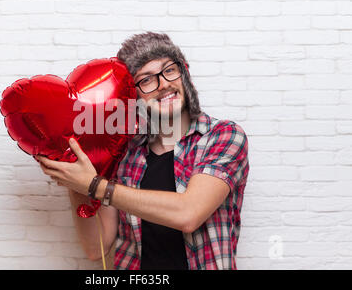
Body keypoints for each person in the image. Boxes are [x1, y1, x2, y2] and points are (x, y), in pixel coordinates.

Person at [36, 31, 249, 270]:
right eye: (146, 80)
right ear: (132, 95)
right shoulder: (124, 152)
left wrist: (94, 185)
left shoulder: (223, 136)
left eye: (169, 70)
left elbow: (189, 214)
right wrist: (77, 183)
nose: (164, 84)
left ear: (184, 74)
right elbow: (96, 248)